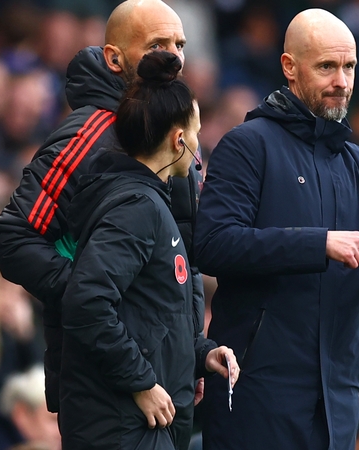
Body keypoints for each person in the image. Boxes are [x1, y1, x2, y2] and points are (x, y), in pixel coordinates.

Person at [193, 8, 359, 450]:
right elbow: (213, 244)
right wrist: (319, 243)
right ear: (290, 68)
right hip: (256, 391)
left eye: (349, 67)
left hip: (338, 397)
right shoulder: (248, 145)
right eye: (327, 66)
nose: (342, 81)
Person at [0, 0, 204, 416]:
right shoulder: (90, 133)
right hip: (106, 383)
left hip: (167, 380)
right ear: (114, 58)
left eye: (179, 45)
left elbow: (184, 258)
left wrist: (191, 351)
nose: (173, 58)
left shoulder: (175, 136)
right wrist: (100, 299)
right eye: (157, 44)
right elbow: (13, 238)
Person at [59, 51, 238, 450]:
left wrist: (199, 354)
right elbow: (86, 303)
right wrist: (139, 381)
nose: (197, 144)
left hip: (138, 423)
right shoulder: (138, 207)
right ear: (179, 140)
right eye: (196, 132)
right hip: (122, 425)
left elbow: (147, 315)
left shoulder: (150, 202)